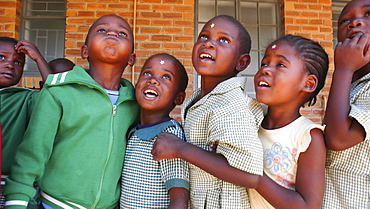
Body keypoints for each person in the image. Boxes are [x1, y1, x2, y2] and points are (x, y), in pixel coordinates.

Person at [3, 14, 140, 209]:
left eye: (122, 33)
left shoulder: (135, 104)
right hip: (55, 204)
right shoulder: (59, 92)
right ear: (84, 51)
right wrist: (16, 202)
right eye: (102, 30)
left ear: (132, 58)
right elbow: (32, 154)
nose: (112, 33)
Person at [151, 15, 264, 208]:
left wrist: (180, 148)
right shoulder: (198, 99)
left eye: (223, 40)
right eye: (203, 37)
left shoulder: (231, 103)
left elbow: (250, 175)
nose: (209, 44)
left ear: (242, 62)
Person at [247, 34, 328, 209]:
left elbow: (309, 206)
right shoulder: (248, 122)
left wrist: (252, 174)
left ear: (308, 83)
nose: (265, 70)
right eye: (264, 63)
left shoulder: (307, 136)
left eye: (280, 65)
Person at [120, 53, 189, 209]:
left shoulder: (169, 135)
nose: (153, 80)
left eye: (166, 77)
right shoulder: (132, 132)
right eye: (147, 73)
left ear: (178, 98)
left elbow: (179, 201)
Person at [322, 0, 370, 208]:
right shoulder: (350, 85)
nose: (355, 23)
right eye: (345, 21)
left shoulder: (346, 75)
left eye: (367, 14)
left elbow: (338, 139)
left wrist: (343, 69)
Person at [0, 37, 51, 208]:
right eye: (1, 57)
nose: (10, 65)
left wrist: (38, 58)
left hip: (13, 185)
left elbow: (56, 94)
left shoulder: (26, 98)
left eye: (18, 62)